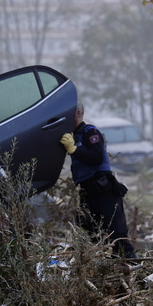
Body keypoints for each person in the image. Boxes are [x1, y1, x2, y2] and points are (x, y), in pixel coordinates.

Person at [60, 102, 137, 258]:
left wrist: (74, 149)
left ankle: (132, 269)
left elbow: (96, 157)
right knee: (89, 235)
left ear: (78, 113)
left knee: (118, 236)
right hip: (87, 192)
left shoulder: (90, 132)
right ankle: (98, 272)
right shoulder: (72, 136)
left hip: (104, 191)